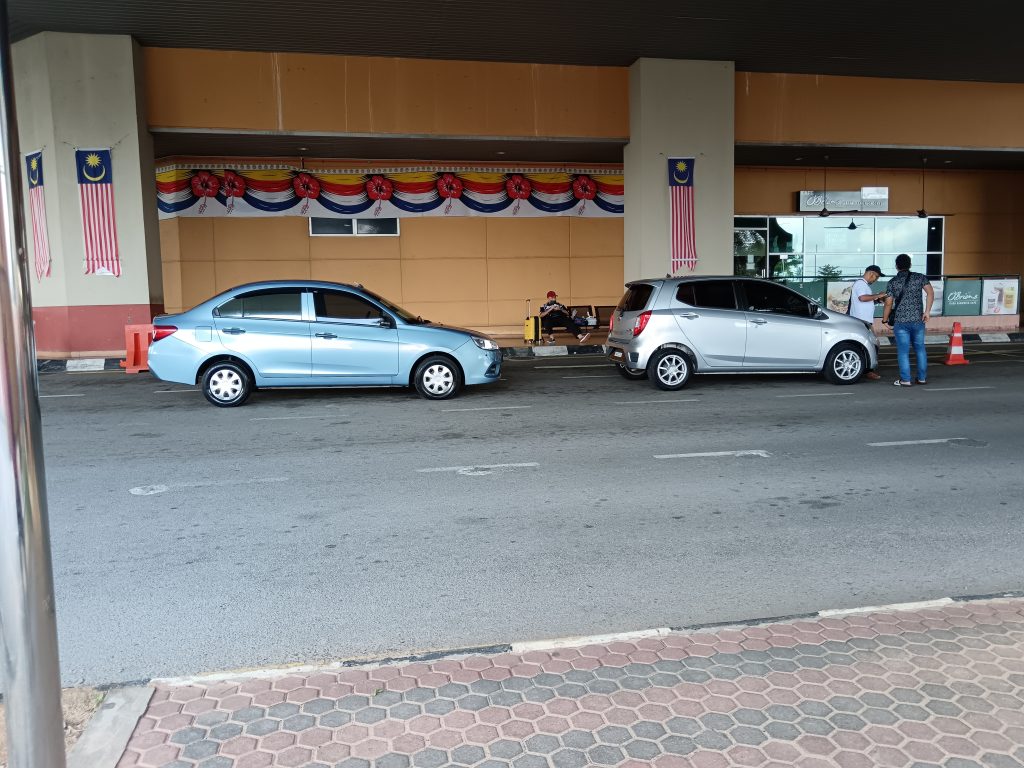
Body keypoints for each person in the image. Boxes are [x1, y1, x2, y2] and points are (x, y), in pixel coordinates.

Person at [882, 253, 934, 387]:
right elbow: (930, 293)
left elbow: (888, 303)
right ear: (910, 265)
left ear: (896, 266)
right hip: (918, 320)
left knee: (903, 352)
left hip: (901, 322)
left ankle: (905, 380)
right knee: (920, 349)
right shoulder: (919, 277)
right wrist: (927, 312)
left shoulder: (892, 282)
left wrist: (884, 320)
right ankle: (922, 378)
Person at [847, 265, 887, 380]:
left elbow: (866, 301)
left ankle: (866, 369)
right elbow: (862, 298)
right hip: (861, 321)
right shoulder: (860, 284)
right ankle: (868, 370)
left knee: (870, 345)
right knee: (872, 345)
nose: (876, 280)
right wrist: (878, 295)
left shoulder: (863, 285)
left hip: (864, 320)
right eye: (877, 277)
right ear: (871, 273)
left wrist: (877, 299)